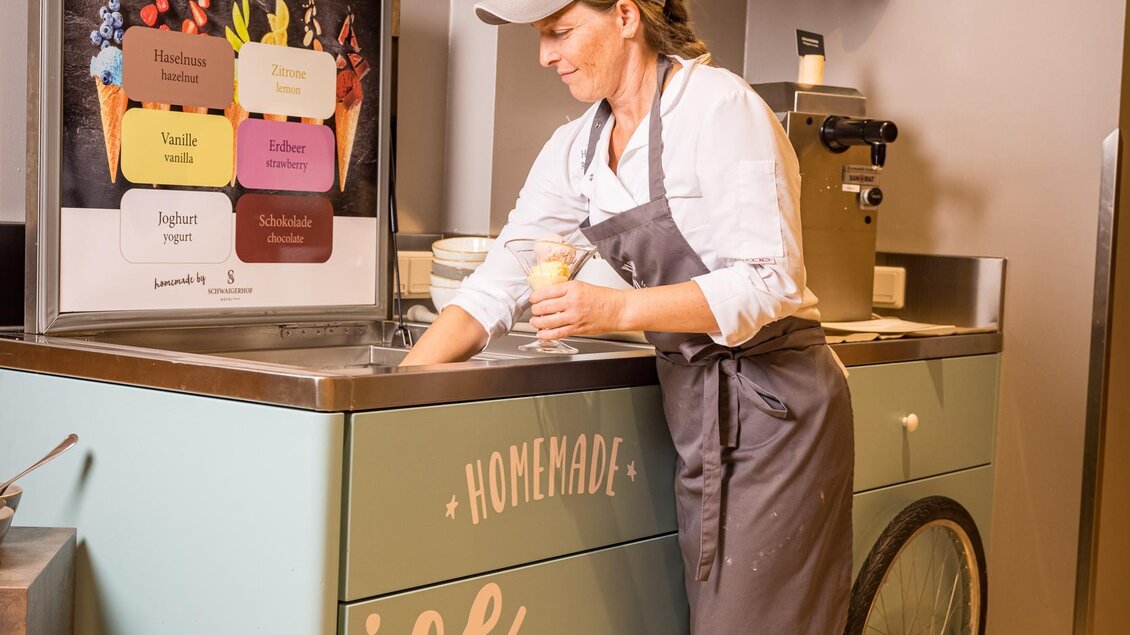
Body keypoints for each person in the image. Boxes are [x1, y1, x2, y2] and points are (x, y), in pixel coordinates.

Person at [401, 0, 854, 632]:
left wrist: (615, 309)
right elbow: (494, 286)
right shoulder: (575, 152)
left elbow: (770, 279)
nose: (544, 55)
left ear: (624, 16)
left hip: (777, 406)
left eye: (559, 32)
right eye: (540, 37)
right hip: (695, 406)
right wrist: (389, 394)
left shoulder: (721, 110)